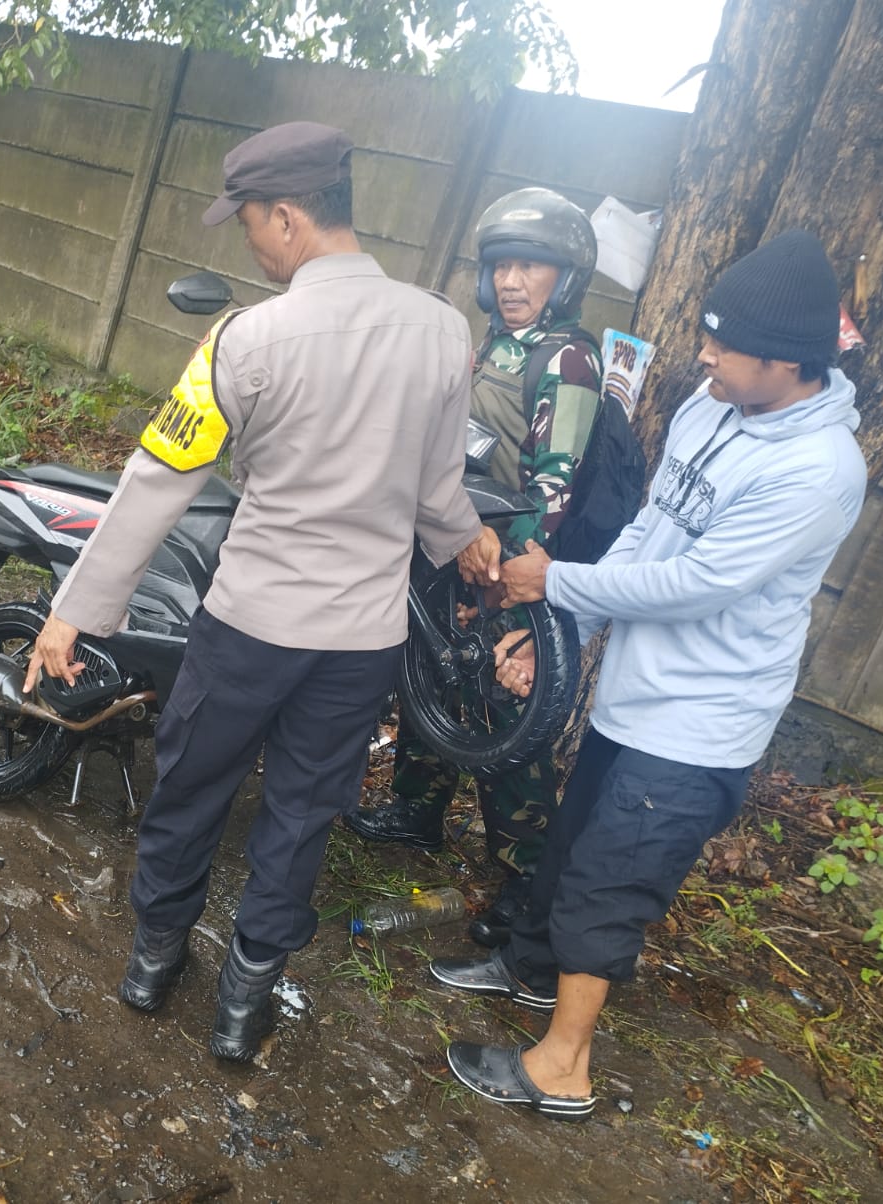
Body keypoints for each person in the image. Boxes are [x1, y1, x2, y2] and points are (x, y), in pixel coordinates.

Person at [21, 122, 498, 1063]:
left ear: (287, 217)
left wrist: (74, 611)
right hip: (361, 644)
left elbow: (158, 479)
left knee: (192, 789)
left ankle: (154, 963)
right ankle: (243, 1004)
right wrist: (469, 544)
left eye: (247, 225)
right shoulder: (446, 330)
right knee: (302, 816)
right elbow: (439, 490)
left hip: (249, 628)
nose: (249, 245)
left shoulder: (244, 339)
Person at [431, 229, 867, 1120]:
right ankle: (529, 970)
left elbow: (697, 584)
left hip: (698, 724)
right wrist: (561, 634)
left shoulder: (819, 470)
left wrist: (554, 581)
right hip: (634, 697)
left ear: (787, 363)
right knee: (571, 846)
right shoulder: (712, 407)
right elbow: (647, 534)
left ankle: (563, 1068)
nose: (702, 354)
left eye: (723, 344)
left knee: (609, 882)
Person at [343, 187, 603, 947]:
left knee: (505, 718)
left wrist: (503, 575)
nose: (512, 282)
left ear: (566, 277)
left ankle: (524, 878)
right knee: (428, 680)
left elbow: (556, 487)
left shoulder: (568, 359)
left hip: (507, 569)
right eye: (502, 266)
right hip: (453, 546)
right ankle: (417, 810)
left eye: (531, 267)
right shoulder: (492, 344)